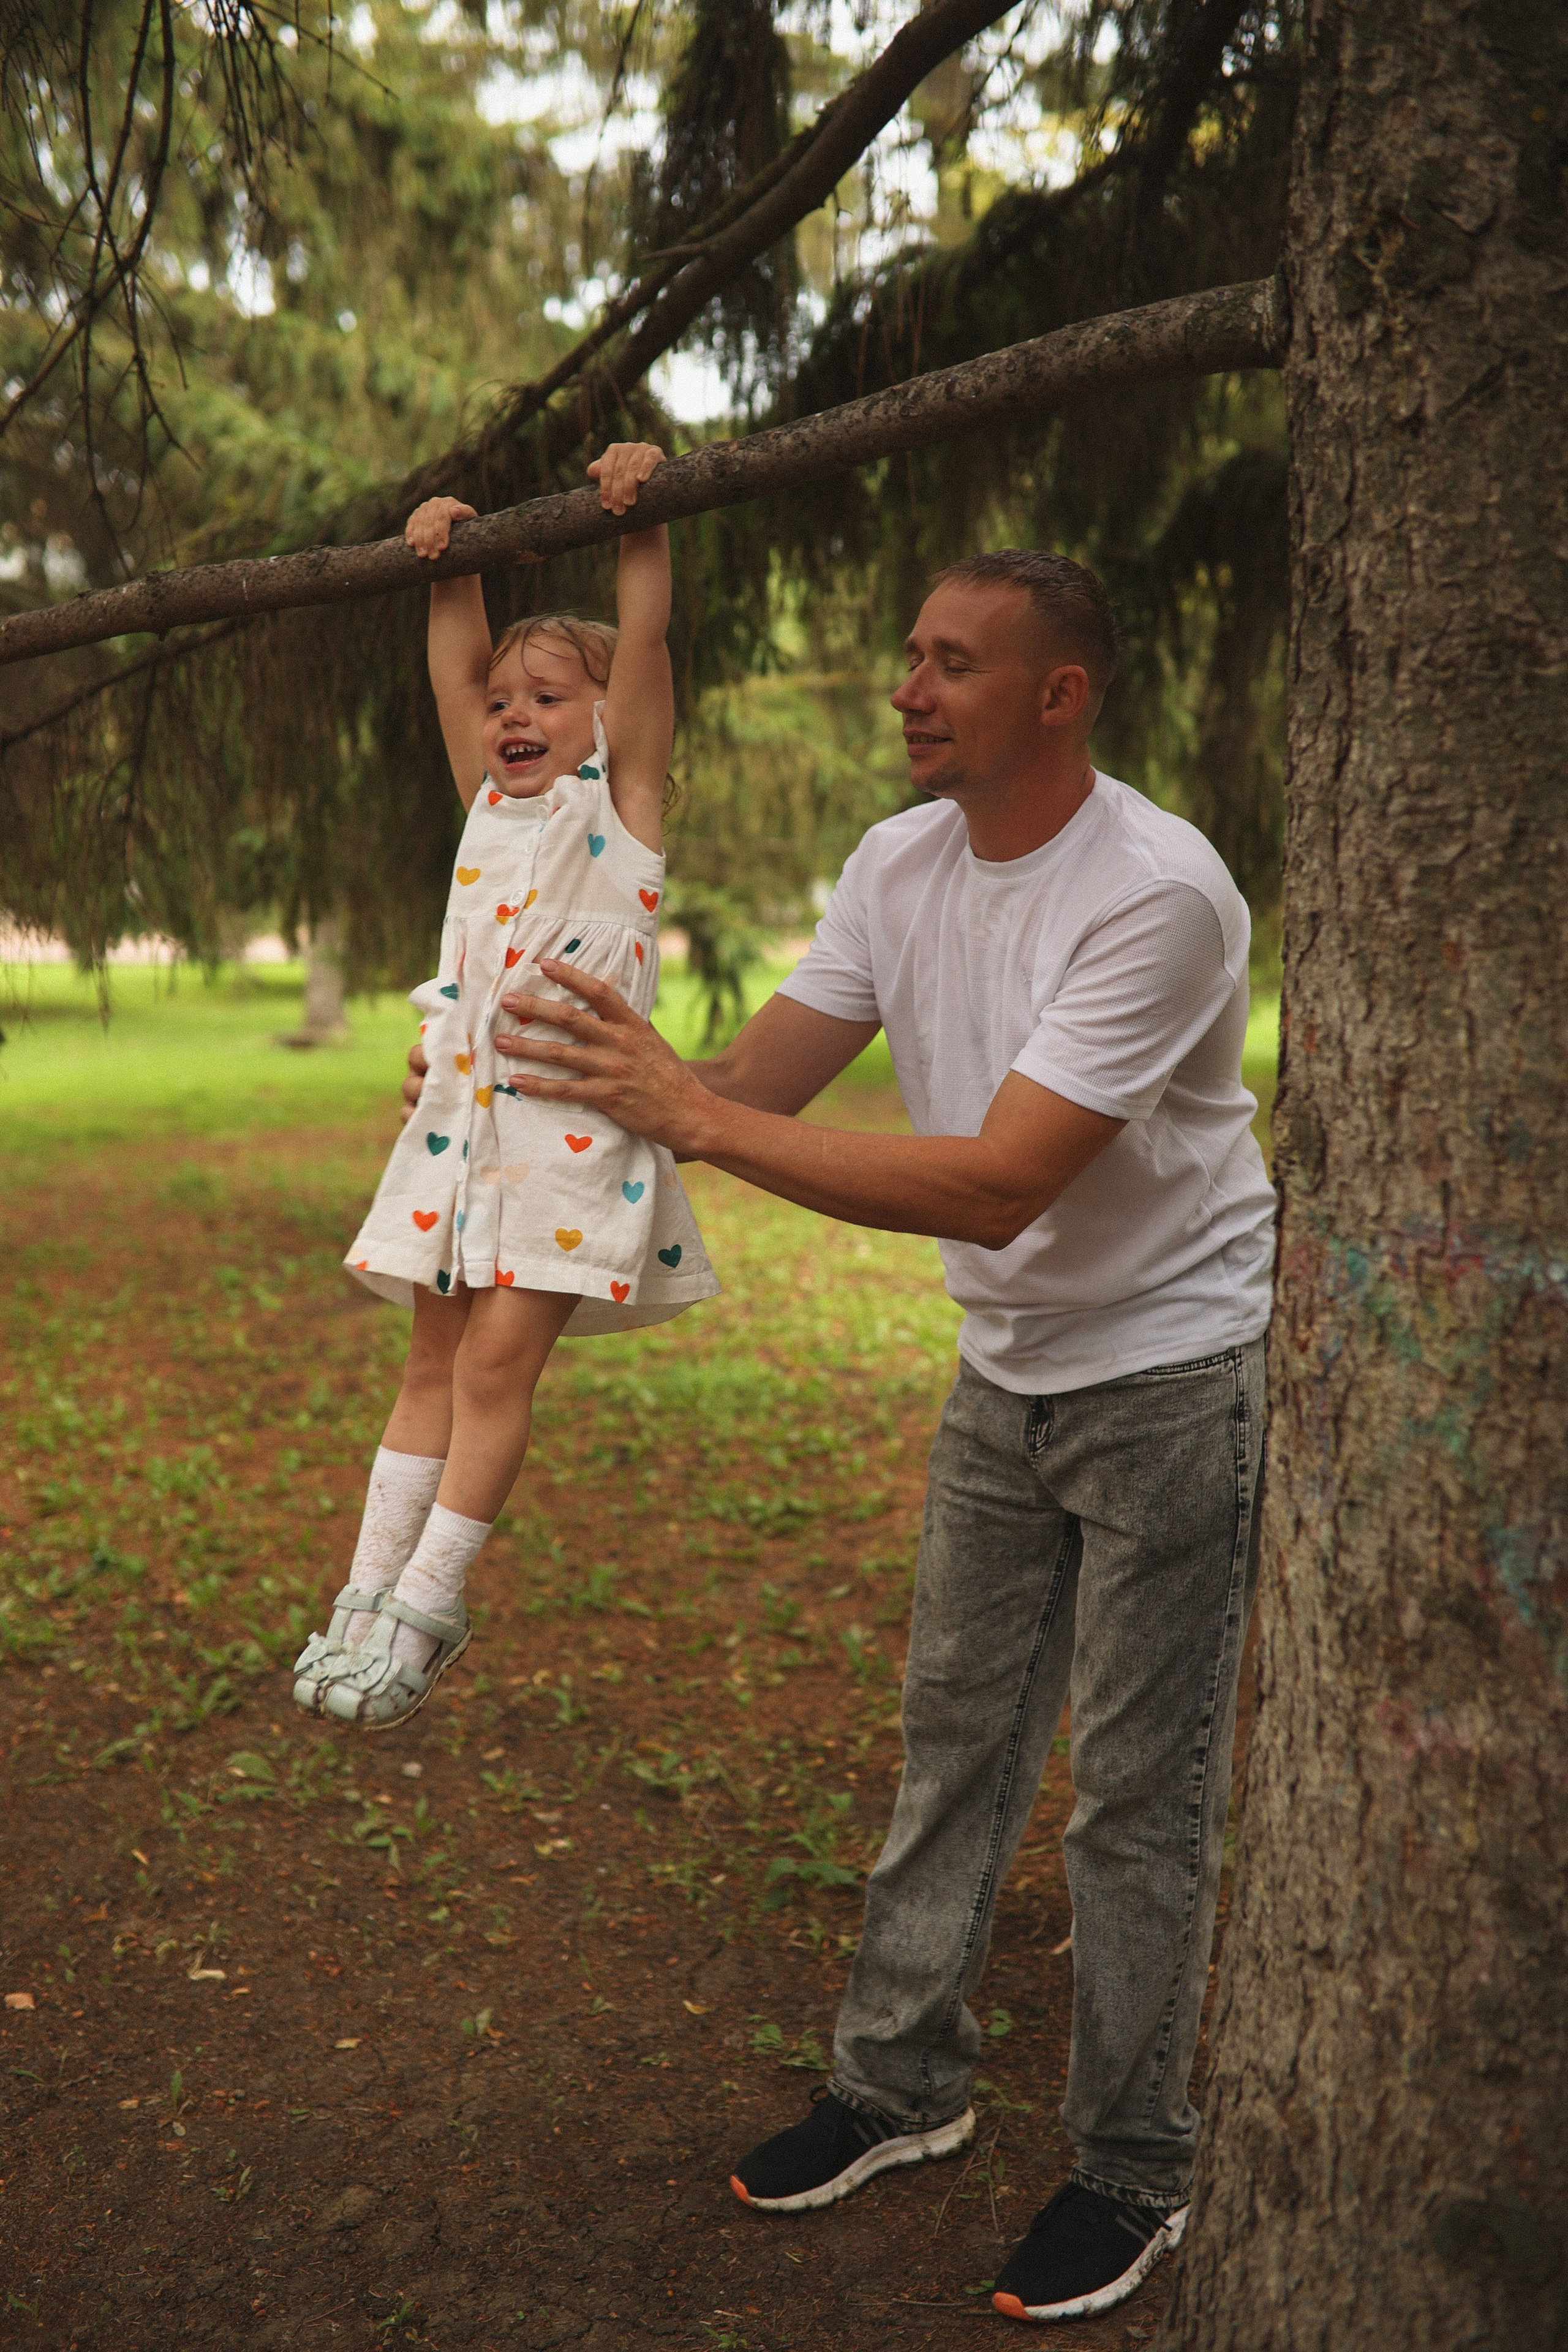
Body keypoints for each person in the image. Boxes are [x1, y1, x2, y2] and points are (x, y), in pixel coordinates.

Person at [402, 547, 1275, 2321]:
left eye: (952, 663)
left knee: (1135, 1801)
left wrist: (687, 1123)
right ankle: (900, 2087)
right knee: (952, 1740)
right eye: (909, 652)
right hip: (1005, 1375)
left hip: (1174, 1376)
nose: (908, 686)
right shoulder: (898, 861)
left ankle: (1134, 2166)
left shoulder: (1159, 893)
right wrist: (513, 1096)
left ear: (1059, 695)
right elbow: (742, 1083)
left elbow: (1006, 1183)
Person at [292, 443, 717, 1733]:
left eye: (548, 695)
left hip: (568, 1148)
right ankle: (362, 1594)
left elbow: (642, 650)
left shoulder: (621, 815)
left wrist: (642, 522)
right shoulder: (487, 807)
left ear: (603, 721)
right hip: (455, 1136)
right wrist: (448, 563)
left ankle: (429, 1605)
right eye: (503, 702)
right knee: (426, 1365)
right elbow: (450, 673)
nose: (513, 714)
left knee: (491, 1374)